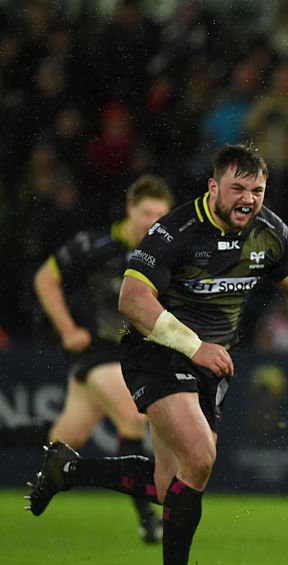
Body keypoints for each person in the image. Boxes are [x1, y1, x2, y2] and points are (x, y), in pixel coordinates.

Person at [25, 143, 288, 565]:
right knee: (201, 458)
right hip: (158, 351)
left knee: (172, 487)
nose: (248, 199)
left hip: (211, 361)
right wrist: (195, 346)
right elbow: (132, 300)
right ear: (213, 187)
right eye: (237, 189)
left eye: (257, 190)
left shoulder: (271, 233)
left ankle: (69, 469)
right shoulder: (177, 230)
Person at [27, 174, 174, 543]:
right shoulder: (97, 245)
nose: (152, 222)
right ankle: (147, 520)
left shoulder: (163, 255)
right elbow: (45, 278)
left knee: (62, 438)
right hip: (97, 352)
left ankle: (48, 483)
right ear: (129, 209)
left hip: (127, 354)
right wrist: (66, 329)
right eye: (146, 213)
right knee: (131, 414)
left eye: (161, 215)